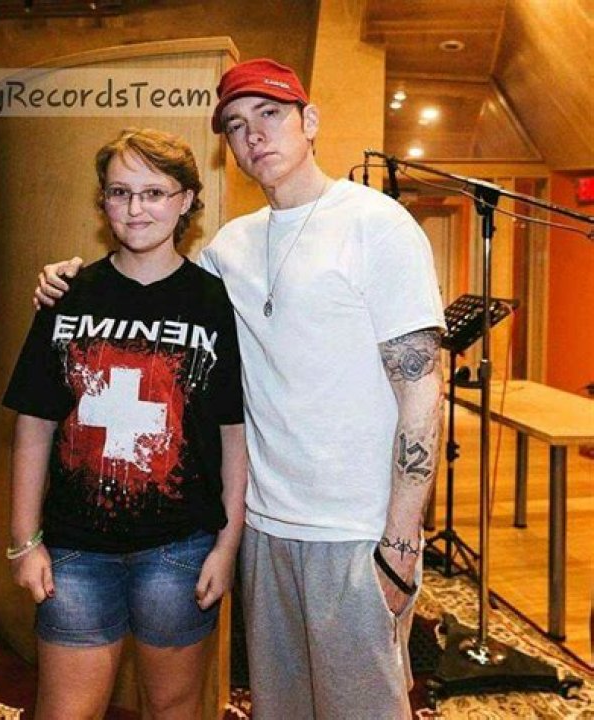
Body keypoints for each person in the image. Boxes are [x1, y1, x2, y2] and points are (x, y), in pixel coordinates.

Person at [34, 59, 445, 720]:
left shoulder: (378, 225)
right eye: (235, 124)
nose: (253, 134)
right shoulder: (231, 248)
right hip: (264, 525)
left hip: (354, 528)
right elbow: (155, 285)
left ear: (311, 121)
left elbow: (422, 390)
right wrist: (71, 281)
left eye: (270, 114)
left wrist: (401, 539)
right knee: (280, 707)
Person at [3, 127, 247, 720]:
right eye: (119, 192)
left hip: (180, 548)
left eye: (154, 192)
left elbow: (234, 435)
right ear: (103, 201)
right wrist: (24, 541)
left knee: (174, 707)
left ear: (186, 200)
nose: (136, 208)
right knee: (65, 711)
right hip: (75, 549)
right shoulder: (67, 295)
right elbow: (34, 425)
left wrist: (227, 546)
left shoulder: (216, 303)